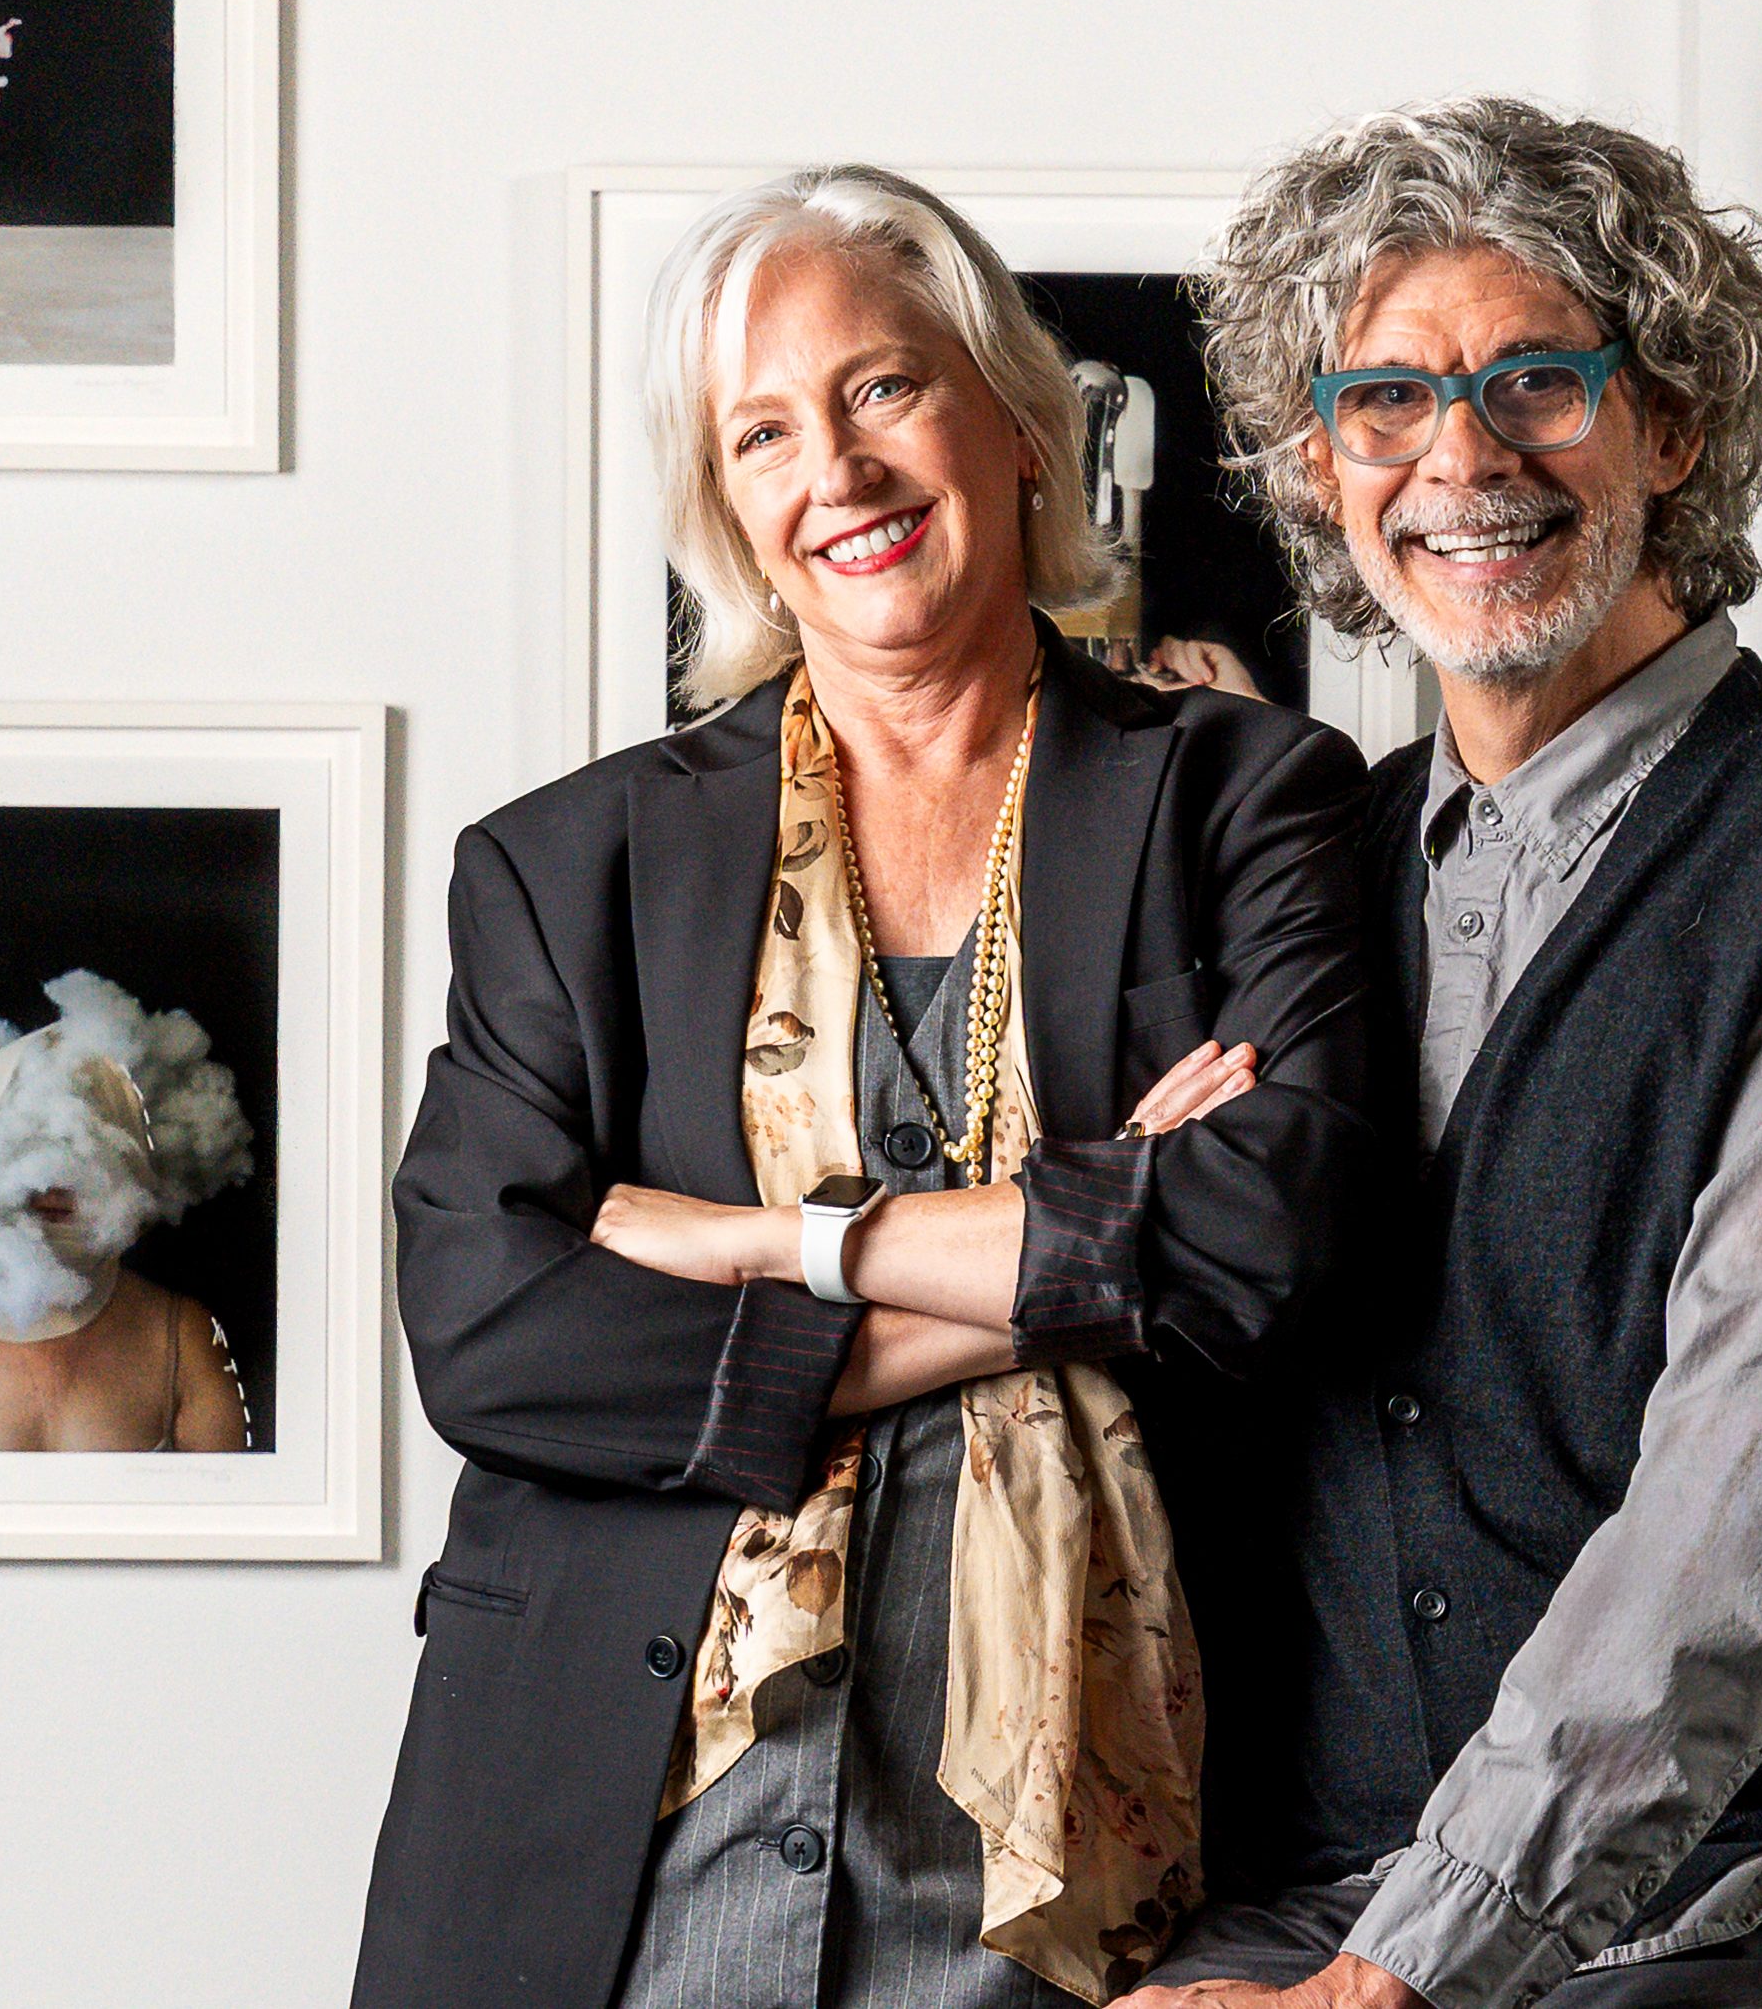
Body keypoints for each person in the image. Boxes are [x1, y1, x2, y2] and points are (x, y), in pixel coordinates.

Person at [352, 166, 1371, 2009]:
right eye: (764, 433)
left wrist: (767, 1247)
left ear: (1013, 421)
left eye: (884, 389)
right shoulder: (562, 867)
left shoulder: (1244, 799)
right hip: (619, 1846)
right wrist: (1054, 1250)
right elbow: (490, 1335)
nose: (839, 469)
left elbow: (1261, 1232)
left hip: (1097, 1874)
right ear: (730, 516)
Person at [1128, 99, 1762, 2009]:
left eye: (1536, 382)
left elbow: (1759, 1482)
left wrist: (1400, 1977)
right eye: (1384, 399)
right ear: (1320, 467)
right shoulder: (1307, 869)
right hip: (1327, 1885)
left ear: (1675, 423)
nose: (1459, 457)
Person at [0, 971, 254, 1455]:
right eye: (29, 1148)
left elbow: (235, 1519)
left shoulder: (179, 1336)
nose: (51, 1181)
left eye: (83, 1151)